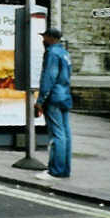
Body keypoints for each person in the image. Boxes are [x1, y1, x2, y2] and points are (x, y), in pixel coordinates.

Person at [34, 27, 72, 180]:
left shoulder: (51, 53)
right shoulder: (64, 53)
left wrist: (40, 100)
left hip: (54, 97)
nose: (43, 40)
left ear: (51, 38)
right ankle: (64, 170)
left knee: (57, 135)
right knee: (65, 134)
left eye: (45, 37)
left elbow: (49, 77)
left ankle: (55, 170)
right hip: (65, 95)